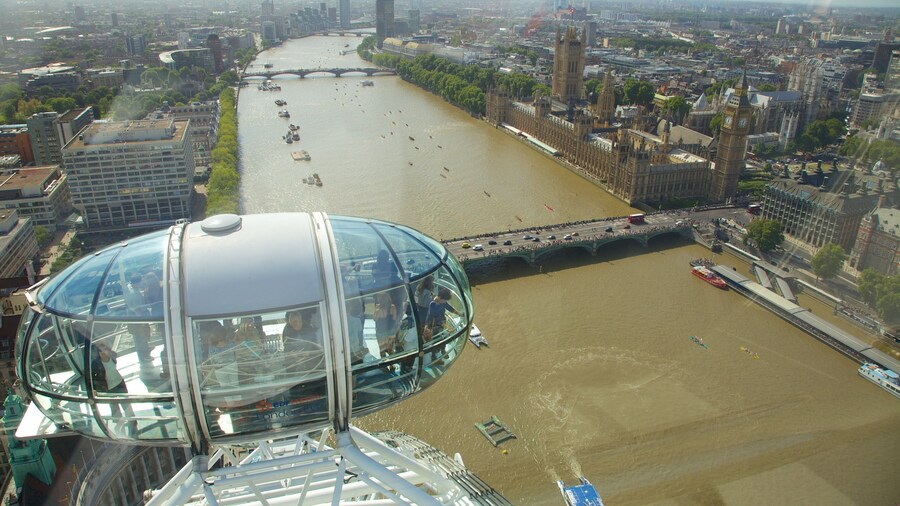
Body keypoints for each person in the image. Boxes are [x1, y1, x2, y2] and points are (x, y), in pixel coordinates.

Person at [91, 341, 138, 434]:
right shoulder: (96, 363)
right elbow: (92, 377)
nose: (103, 352)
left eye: (104, 349)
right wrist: (94, 389)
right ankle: (119, 422)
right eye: (100, 351)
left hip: (119, 383)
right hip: (108, 388)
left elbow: (113, 355)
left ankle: (132, 421)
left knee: (126, 403)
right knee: (114, 406)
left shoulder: (112, 356)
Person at [373, 292, 398, 357]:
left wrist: (376, 309)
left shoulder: (378, 310)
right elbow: (394, 318)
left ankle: (384, 366)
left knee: (382, 351)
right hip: (390, 331)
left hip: (380, 332)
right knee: (390, 349)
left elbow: (374, 319)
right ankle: (392, 364)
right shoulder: (393, 307)